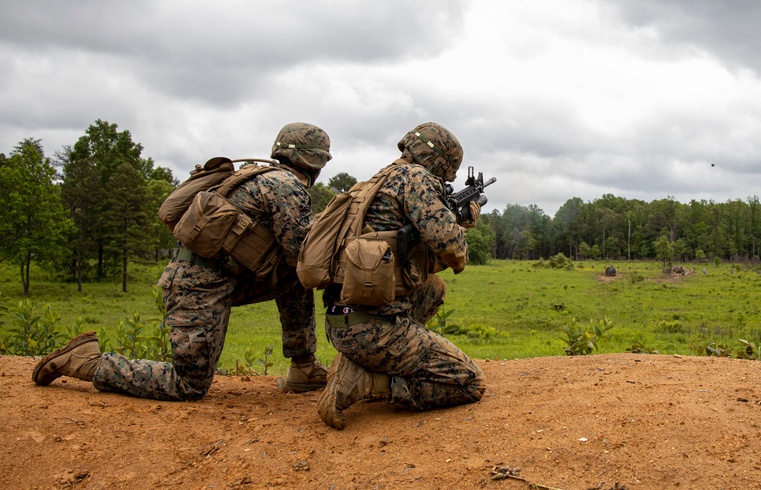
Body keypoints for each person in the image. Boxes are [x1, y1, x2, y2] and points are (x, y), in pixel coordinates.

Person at [32, 122, 333, 401]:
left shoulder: (255, 175)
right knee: (188, 384)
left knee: (294, 277)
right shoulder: (286, 186)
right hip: (198, 287)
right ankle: (87, 361)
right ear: (315, 164)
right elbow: (301, 252)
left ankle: (303, 367)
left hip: (216, 279)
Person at [317, 122, 485, 429]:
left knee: (433, 288)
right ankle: (367, 380)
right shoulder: (416, 177)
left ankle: (360, 360)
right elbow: (454, 251)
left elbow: (423, 265)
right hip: (371, 328)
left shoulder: (375, 182)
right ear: (441, 163)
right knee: (468, 382)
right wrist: (462, 223)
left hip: (341, 320)